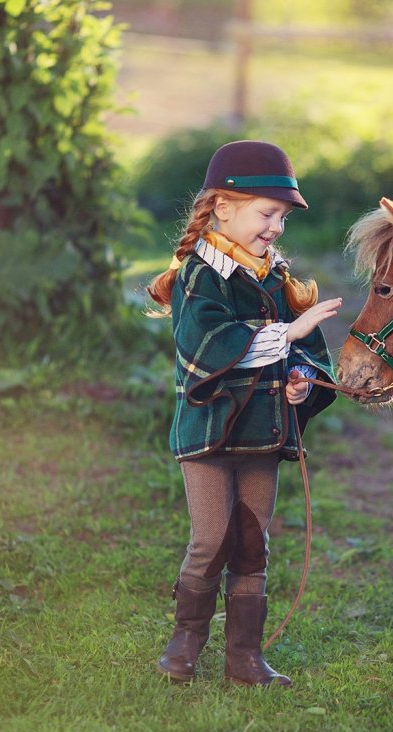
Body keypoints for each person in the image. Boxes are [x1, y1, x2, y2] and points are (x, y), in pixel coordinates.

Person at [146, 140, 341, 687]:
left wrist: (302, 378)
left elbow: (306, 353)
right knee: (212, 538)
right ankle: (184, 645)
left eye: (282, 217)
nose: (277, 227)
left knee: (253, 542)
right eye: (267, 213)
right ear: (223, 207)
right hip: (207, 437)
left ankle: (245, 658)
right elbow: (206, 344)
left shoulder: (275, 279)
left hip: (262, 433)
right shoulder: (197, 276)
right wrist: (287, 333)